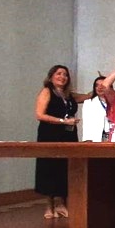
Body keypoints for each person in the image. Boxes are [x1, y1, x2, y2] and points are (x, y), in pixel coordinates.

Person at [34, 65, 80, 219]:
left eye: (65, 74)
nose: (62, 77)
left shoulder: (68, 95)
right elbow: (39, 115)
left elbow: (92, 94)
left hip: (68, 135)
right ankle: (49, 205)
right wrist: (62, 121)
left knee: (65, 167)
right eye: (59, 74)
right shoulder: (47, 91)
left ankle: (62, 204)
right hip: (50, 135)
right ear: (51, 76)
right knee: (49, 167)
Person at [80, 75, 108, 142]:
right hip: (95, 138)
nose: (99, 87)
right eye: (97, 85)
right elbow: (87, 124)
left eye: (102, 85)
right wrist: (87, 139)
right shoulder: (88, 103)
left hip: (112, 138)